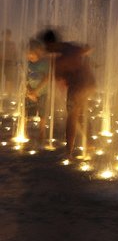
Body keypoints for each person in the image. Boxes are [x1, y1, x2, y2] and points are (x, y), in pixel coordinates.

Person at [39, 28, 96, 158]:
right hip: (88, 83)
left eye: (47, 46)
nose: (47, 49)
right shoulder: (69, 47)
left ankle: (68, 152)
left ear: (51, 44)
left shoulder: (62, 57)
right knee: (80, 114)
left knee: (72, 116)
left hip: (79, 85)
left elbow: (59, 73)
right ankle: (90, 143)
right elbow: (86, 50)